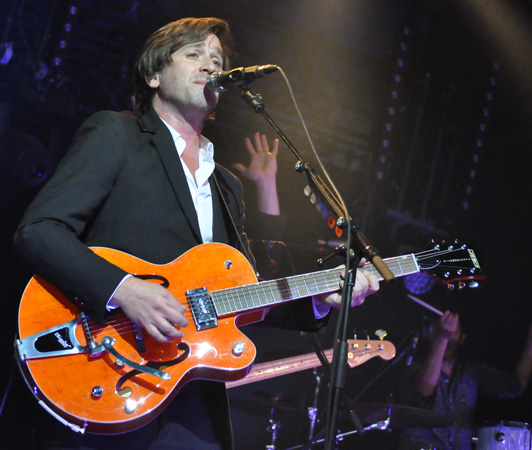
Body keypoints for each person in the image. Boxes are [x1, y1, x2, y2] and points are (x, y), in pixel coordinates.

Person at [12, 17, 379, 450]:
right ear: (153, 75)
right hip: (108, 363)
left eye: (217, 59)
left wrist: (319, 299)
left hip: (190, 389)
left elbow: (240, 291)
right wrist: (123, 290)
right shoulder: (118, 134)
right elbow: (39, 230)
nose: (209, 64)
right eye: (193, 54)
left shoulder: (225, 185)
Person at [397, 310, 532, 450]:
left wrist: (531, 341)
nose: (446, 334)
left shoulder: (471, 371)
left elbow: (515, 387)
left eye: (453, 331)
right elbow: (425, 389)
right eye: (439, 330)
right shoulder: (413, 366)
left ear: (462, 338)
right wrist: (442, 338)